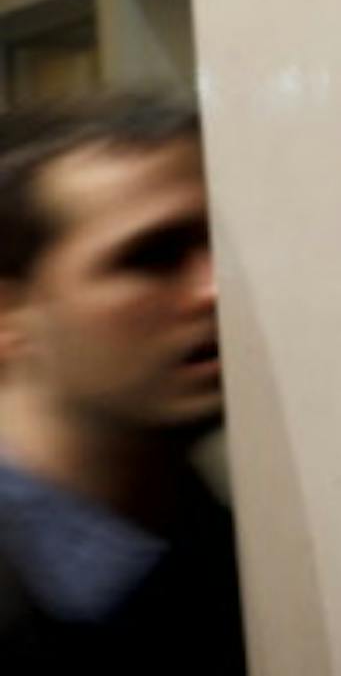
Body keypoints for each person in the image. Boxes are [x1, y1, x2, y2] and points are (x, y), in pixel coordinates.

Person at [0, 95, 244, 671]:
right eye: (151, 258)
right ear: (8, 315)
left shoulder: (240, 562)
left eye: (224, 249)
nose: (215, 289)